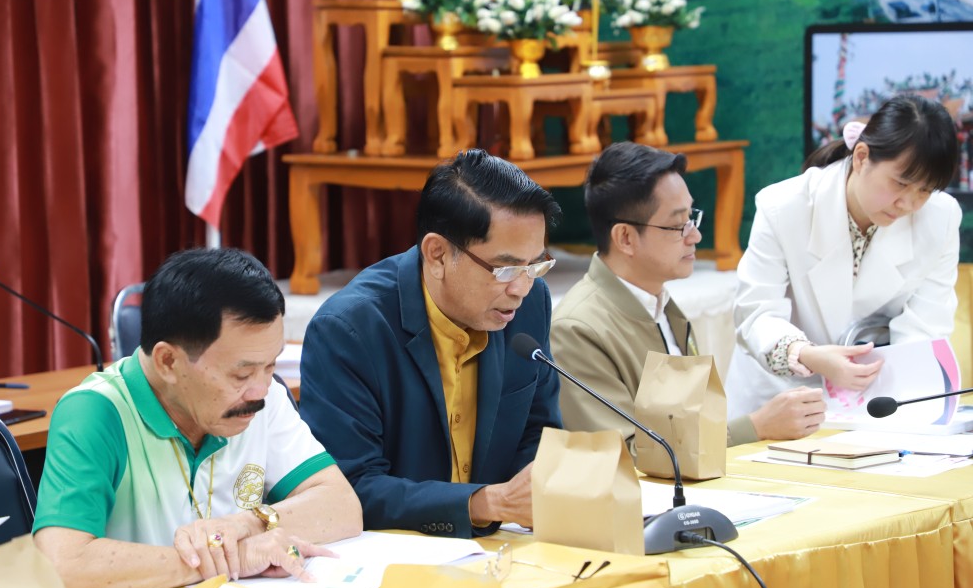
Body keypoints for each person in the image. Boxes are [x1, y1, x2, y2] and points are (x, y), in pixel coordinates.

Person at [33, 248, 362, 588]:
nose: (261, 390)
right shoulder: (96, 412)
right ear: (168, 362)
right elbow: (60, 568)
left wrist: (248, 524)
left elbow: (342, 505)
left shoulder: (262, 399)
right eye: (241, 374)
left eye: (270, 366)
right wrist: (226, 559)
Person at [299, 149, 562, 538]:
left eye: (535, 265)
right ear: (437, 254)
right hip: (394, 555)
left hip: (504, 545)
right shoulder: (349, 330)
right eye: (506, 268)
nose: (521, 288)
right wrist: (482, 504)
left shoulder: (530, 303)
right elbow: (349, 485)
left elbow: (539, 430)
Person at [552, 142, 826, 450]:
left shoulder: (663, 307)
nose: (695, 235)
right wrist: (756, 427)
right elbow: (624, 454)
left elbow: (695, 425)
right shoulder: (577, 330)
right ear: (625, 238)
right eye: (677, 225)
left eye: (691, 218)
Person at [727, 95, 961, 419]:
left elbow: (925, 327)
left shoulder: (940, 218)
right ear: (862, 157)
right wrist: (807, 355)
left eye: (925, 190)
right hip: (779, 398)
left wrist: (902, 401)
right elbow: (756, 314)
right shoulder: (783, 207)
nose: (908, 204)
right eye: (901, 183)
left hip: (875, 403)